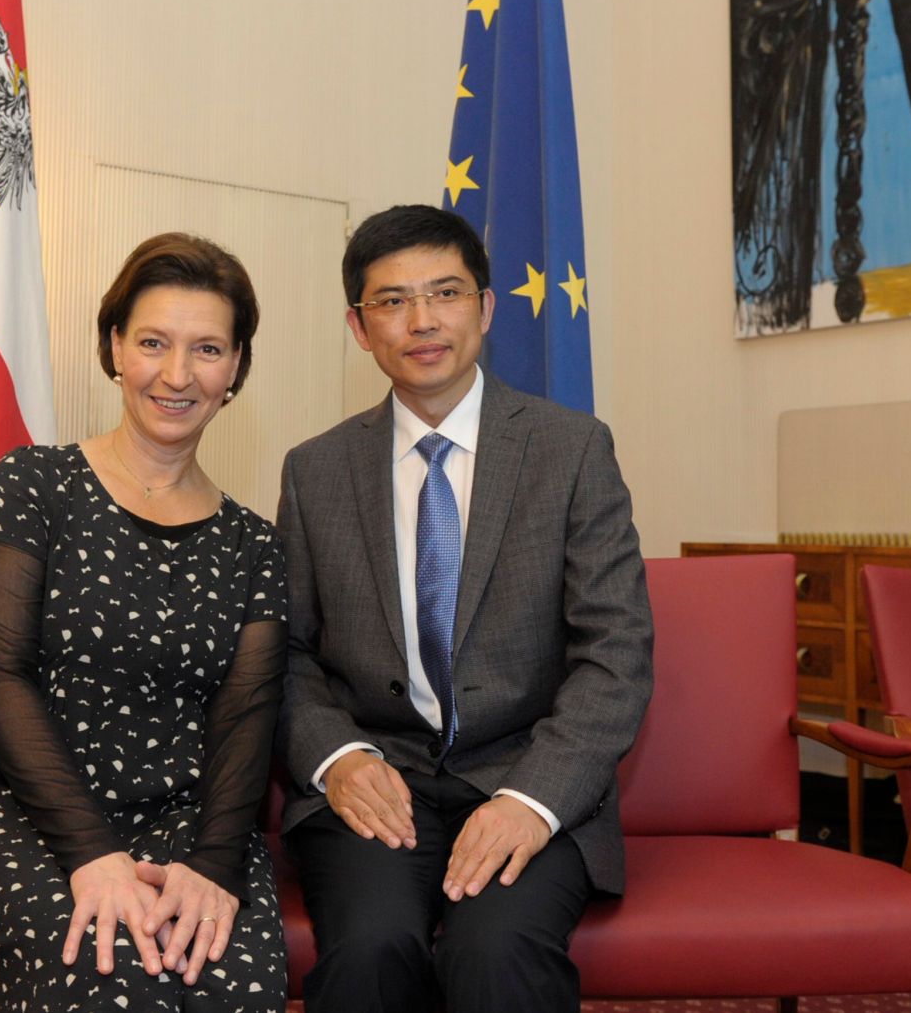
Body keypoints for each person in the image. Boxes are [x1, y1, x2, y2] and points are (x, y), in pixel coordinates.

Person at [276, 204, 654, 1013]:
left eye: (444, 293)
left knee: (497, 953)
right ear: (358, 325)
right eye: (392, 301)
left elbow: (615, 654)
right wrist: (337, 758)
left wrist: (531, 800)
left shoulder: (572, 449)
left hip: (525, 776)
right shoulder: (315, 471)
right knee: (369, 950)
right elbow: (289, 655)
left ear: (484, 307)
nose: (421, 321)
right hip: (377, 781)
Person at [0, 233, 289, 1013]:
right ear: (114, 346)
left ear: (237, 370)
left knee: (231, 982)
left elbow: (246, 718)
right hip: (12, 808)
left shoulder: (256, 544)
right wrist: (93, 854)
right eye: (153, 342)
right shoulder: (34, 484)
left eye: (208, 349)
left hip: (184, 823)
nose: (177, 375)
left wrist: (214, 865)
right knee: (108, 978)